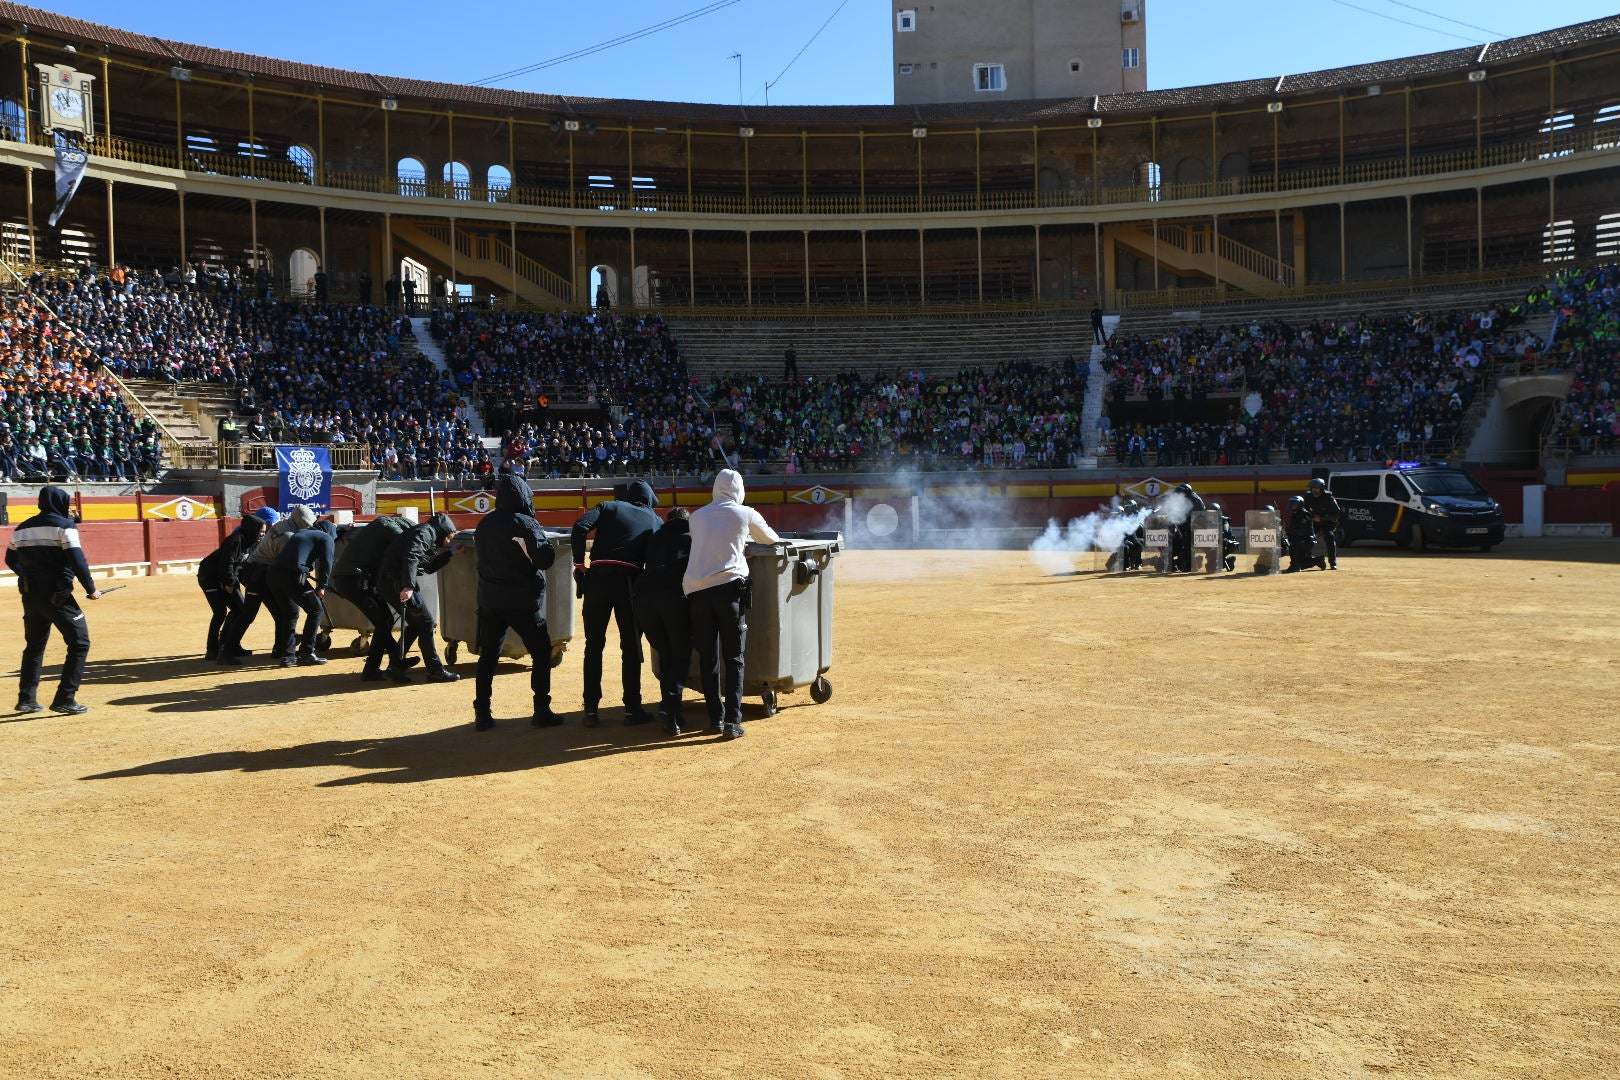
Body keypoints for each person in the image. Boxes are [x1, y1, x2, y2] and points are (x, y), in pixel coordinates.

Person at [683, 469, 781, 741]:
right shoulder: (745, 513)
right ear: (739, 490)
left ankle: (715, 718)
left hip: (698, 592)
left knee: (708, 657)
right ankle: (732, 721)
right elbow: (770, 539)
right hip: (729, 591)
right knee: (734, 657)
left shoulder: (698, 515)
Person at [471, 474, 563, 731]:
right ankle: (541, 710)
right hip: (521, 600)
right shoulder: (525, 523)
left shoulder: (485, 523)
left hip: (490, 598)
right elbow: (544, 560)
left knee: (488, 656)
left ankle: (482, 713)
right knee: (541, 652)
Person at [570, 480, 661, 727]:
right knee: (630, 647)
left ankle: (590, 711)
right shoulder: (655, 520)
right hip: (629, 585)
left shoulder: (609, 506)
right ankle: (632, 709)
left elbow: (579, 527)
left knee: (593, 646)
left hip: (597, 580)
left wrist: (580, 564)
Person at [6, 486, 102, 715]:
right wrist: (91, 589)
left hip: (30, 596)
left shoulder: (22, 528)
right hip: (57, 595)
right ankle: (65, 698)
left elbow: (10, 559)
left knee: (34, 646)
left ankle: (26, 699)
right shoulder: (65, 526)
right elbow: (78, 560)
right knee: (79, 643)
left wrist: (28, 576)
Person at [329, 513, 413, 682]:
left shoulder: (379, 526)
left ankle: (395, 660)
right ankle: (373, 669)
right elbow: (407, 546)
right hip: (355, 580)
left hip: (351, 579)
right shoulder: (391, 529)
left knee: (384, 621)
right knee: (383, 622)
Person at [378, 511, 460, 682]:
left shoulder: (425, 532)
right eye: (449, 537)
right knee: (427, 622)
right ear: (444, 531)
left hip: (391, 582)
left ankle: (395, 666)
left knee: (417, 624)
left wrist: (450, 552)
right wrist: (407, 586)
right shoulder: (425, 533)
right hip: (397, 583)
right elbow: (411, 556)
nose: (449, 540)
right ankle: (435, 671)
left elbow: (427, 567)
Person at [635, 507, 693, 735]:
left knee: (666, 655)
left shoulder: (656, 536)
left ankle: (673, 712)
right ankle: (669, 708)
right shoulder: (692, 538)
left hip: (644, 602)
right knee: (680, 655)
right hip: (673, 599)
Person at [217, 507, 292, 664]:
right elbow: (231, 562)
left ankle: (279, 647)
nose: (271, 527)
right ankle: (225, 648)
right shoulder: (245, 537)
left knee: (251, 613)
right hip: (254, 578)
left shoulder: (253, 534)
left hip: (254, 577)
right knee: (251, 613)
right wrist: (230, 581)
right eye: (270, 523)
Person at [197, 513, 267, 660]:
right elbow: (226, 563)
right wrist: (229, 583)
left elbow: (239, 566)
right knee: (220, 612)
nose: (263, 534)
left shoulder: (249, 542)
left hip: (224, 576)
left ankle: (229, 644)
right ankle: (212, 650)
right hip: (210, 576)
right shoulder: (236, 540)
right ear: (253, 529)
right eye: (261, 531)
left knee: (240, 609)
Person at [269, 517, 337, 667]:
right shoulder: (326, 538)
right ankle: (307, 652)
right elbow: (327, 563)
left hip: (272, 574)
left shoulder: (302, 532)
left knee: (290, 613)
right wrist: (322, 586)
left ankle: (288, 656)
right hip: (292, 576)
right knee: (316, 609)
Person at [1303, 477, 1342, 570]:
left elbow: (1337, 514)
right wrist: (1312, 517)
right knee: (1307, 538)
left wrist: (1322, 519)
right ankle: (1305, 559)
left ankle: (1333, 563)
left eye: (1316, 488)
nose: (1314, 490)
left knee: (1330, 537)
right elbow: (1305, 510)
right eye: (1313, 488)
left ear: (1322, 488)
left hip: (1327, 522)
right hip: (1314, 522)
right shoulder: (1308, 496)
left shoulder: (1329, 497)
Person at [1167, 482, 1205, 573]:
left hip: (1194, 528)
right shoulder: (1180, 500)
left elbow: (1200, 516)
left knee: (1188, 545)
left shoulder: (1196, 500)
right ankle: (1172, 564)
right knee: (1173, 542)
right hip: (1182, 526)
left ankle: (1190, 564)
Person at [1283, 496, 1322, 572]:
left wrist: (1287, 529)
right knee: (1302, 563)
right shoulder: (1295, 514)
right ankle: (1318, 560)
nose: (1292, 506)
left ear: (1300, 505)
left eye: (1294, 504)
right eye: (1291, 504)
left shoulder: (1305, 515)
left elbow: (1300, 531)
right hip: (1300, 539)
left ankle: (1295, 566)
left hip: (1306, 540)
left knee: (1294, 546)